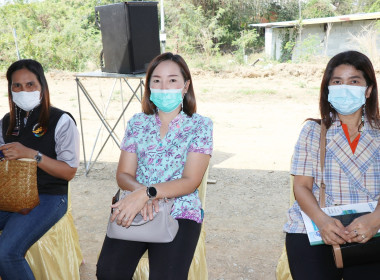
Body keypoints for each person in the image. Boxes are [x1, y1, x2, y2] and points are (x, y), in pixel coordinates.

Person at [96, 52, 213, 280]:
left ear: (185, 86)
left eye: (172, 80)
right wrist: (141, 196)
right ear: (148, 86)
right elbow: (124, 174)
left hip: (180, 210)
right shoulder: (137, 123)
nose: (164, 86)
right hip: (135, 204)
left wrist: (149, 194)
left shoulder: (200, 126)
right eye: (156, 80)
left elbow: (190, 181)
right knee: (108, 272)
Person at [284, 50, 380, 279]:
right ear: (328, 90)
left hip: (372, 227)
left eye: (354, 81)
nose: (344, 87)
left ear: (367, 90)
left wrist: (375, 219)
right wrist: (323, 221)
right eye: (337, 82)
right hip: (316, 227)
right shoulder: (312, 131)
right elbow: (302, 187)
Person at [0, 59, 80, 280]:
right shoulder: (6, 122)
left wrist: (32, 155)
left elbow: (69, 172)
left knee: (6, 253)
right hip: (12, 194)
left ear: (42, 87)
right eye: (17, 86)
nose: (23, 90)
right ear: (10, 90)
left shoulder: (61, 120)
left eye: (30, 85)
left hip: (49, 196)